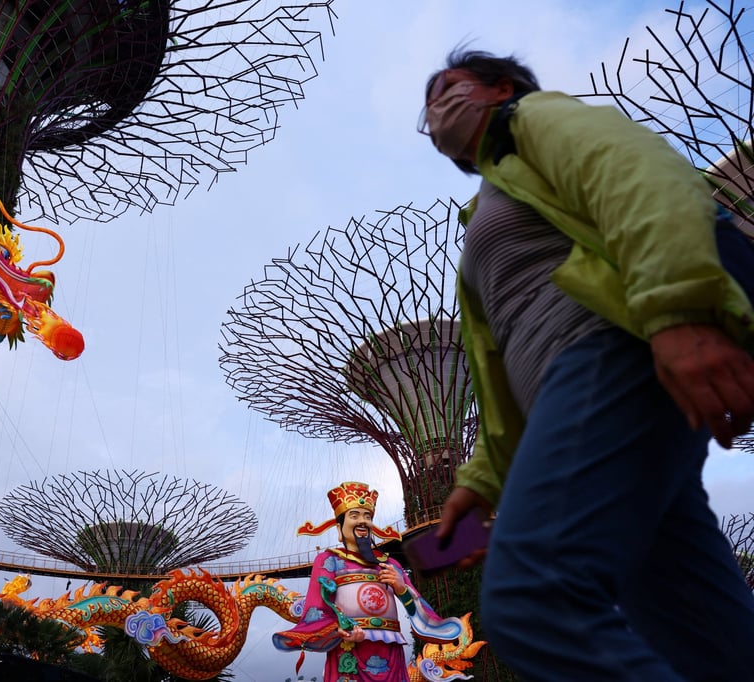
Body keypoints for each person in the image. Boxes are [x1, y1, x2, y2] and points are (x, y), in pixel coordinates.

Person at [419, 48, 754, 680]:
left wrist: (676, 310)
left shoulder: (534, 121)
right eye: (428, 106)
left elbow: (636, 175)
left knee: (533, 595)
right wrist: (484, 479)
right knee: (702, 635)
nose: (436, 109)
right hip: (577, 393)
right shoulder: (492, 197)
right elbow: (499, 370)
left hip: (611, 349)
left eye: (450, 88)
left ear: (501, 88)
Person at [272, 481, 464, 682]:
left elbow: (422, 610)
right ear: (339, 526)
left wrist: (401, 588)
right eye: (354, 516)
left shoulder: (389, 563)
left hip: (391, 652)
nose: (362, 521)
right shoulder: (330, 561)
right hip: (350, 652)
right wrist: (339, 632)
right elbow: (317, 609)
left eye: (367, 516)